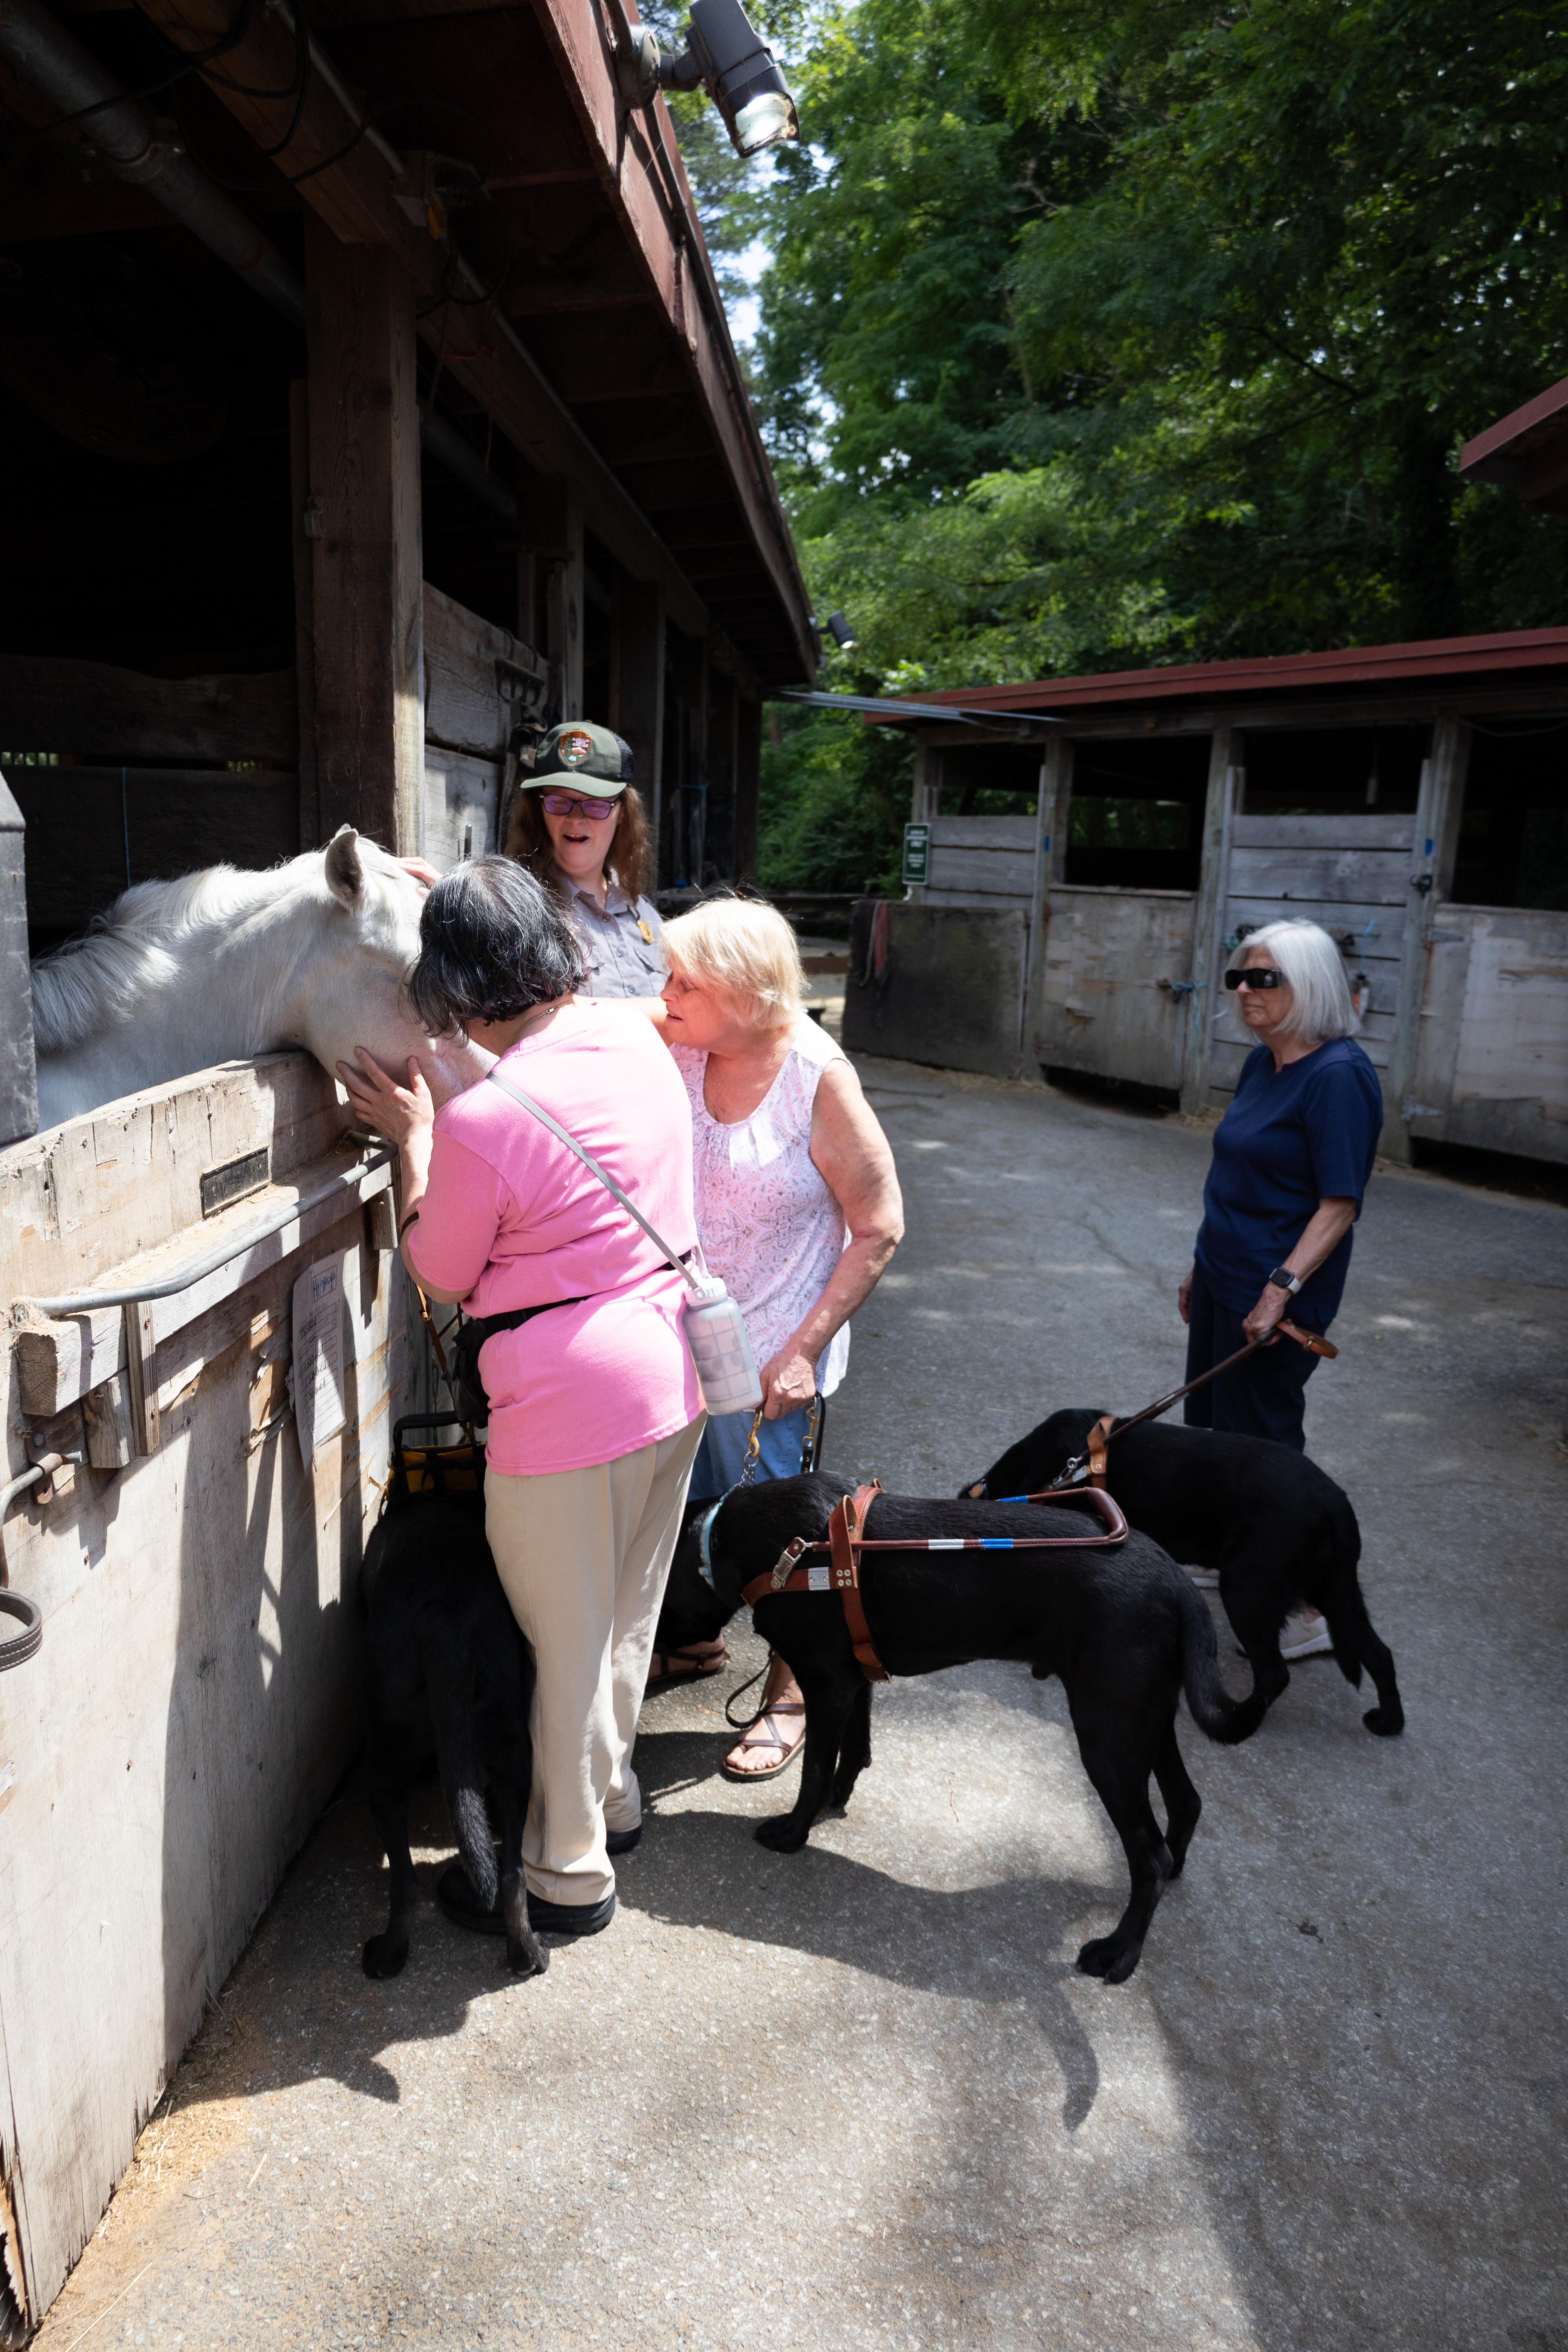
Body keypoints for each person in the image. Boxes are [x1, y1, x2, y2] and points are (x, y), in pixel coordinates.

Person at [337, 857, 704, 1939]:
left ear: (453, 984)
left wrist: (414, 1142)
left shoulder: (490, 1117)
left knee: (564, 1639)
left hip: (567, 1407)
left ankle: (567, 1873)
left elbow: (443, 1273)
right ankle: (615, 1799)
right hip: (671, 1370)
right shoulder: (634, 1043)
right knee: (627, 1614)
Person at [658, 897, 904, 1776]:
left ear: (749, 992)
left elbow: (879, 1224)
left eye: (688, 979)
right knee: (681, 1517)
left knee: (779, 1544)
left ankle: (791, 1693)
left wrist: (803, 1350)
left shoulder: (814, 1075)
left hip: (768, 1363)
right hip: (672, 1341)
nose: (667, 990)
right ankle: (687, 1643)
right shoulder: (680, 1039)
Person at [1179, 917, 1382, 1659]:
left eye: (1263, 978)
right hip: (1222, 1279)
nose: (1243, 990)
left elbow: (1338, 1203)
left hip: (1277, 1293)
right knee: (1216, 1433)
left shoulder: (1338, 1078)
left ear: (1311, 986)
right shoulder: (1261, 1064)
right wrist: (1201, 1272)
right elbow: (1233, 1179)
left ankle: (1305, 1609)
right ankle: (1235, 1553)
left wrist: (1278, 1292)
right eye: (1238, 976)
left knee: (1265, 1448)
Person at [503, 719, 666, 998]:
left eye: (596, 804)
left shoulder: (644, 912)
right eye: (558, 801)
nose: (576, 819)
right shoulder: (516, 913)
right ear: (537, 809)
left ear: (623, 814)